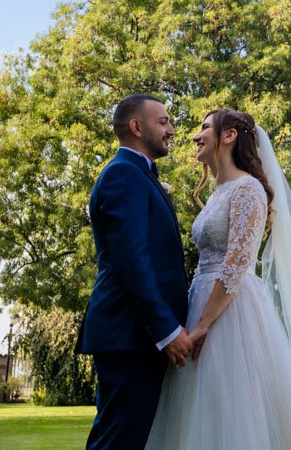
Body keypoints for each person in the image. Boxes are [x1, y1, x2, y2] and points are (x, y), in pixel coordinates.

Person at [145, 109, 291, 449]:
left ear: (228, 136)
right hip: (202, 300)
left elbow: (237, 263)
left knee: (234, 406)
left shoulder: (248, 190)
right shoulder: (219, 192)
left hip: (230, 312)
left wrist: (202, 325)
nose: (195, 136)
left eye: (204, 129)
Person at [77, 94, 193, 450]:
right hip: (131, 334)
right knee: (120, 441)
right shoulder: (123, 175)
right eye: (163, 121)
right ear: (137, 127)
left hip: (135, 335)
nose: (171, 129)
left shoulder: (138, 175)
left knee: (123, 436)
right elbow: (132, 263)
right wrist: (166, 330)